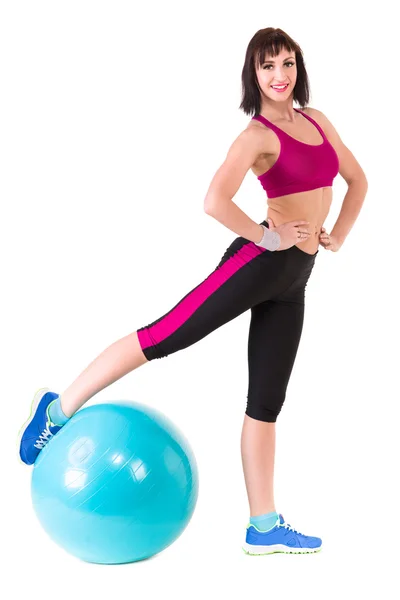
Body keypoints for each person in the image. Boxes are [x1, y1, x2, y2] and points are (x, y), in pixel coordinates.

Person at [18, 27, 368, 555]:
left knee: (266, 405)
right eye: (268, 66)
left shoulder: (319, 122)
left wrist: (336, 234)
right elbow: (214, 200)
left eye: (288, 64)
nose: (280, 76)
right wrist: (267, 235)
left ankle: (263, 525)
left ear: (299, 68)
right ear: (254, 73)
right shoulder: (256, 136)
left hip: (296, 278)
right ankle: (56, 410)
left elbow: (359, 180)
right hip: (258, 265)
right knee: (163, 336)